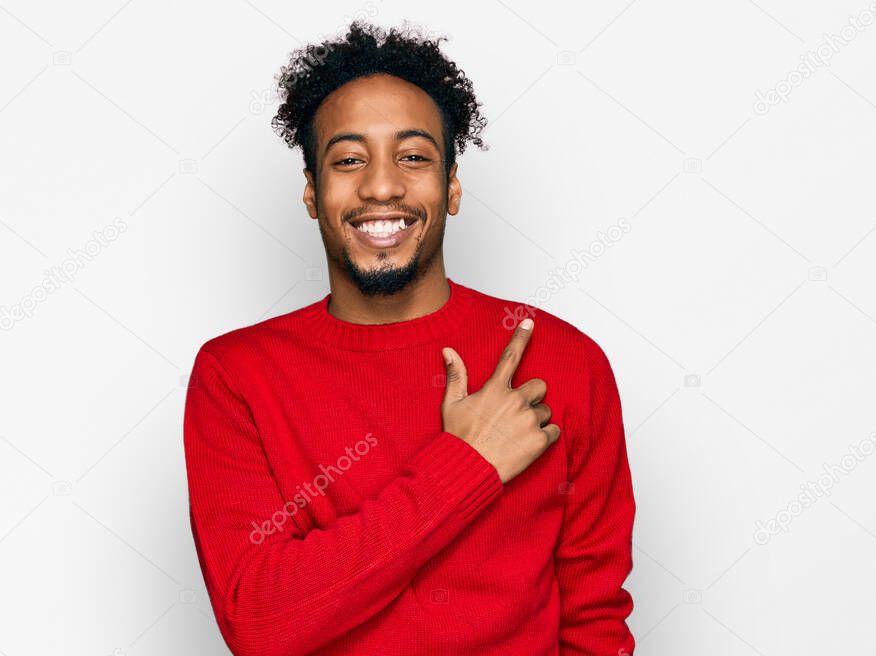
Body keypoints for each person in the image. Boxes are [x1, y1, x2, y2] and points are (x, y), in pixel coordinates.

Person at [183, 20, 635, 655]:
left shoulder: (562, 359)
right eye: (348, 160)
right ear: (313, 192)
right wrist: (469, 465)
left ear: (451, 185)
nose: (382, 185)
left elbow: (594, 618)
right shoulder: (235, 375)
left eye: (414, 156)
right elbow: (259, 623)